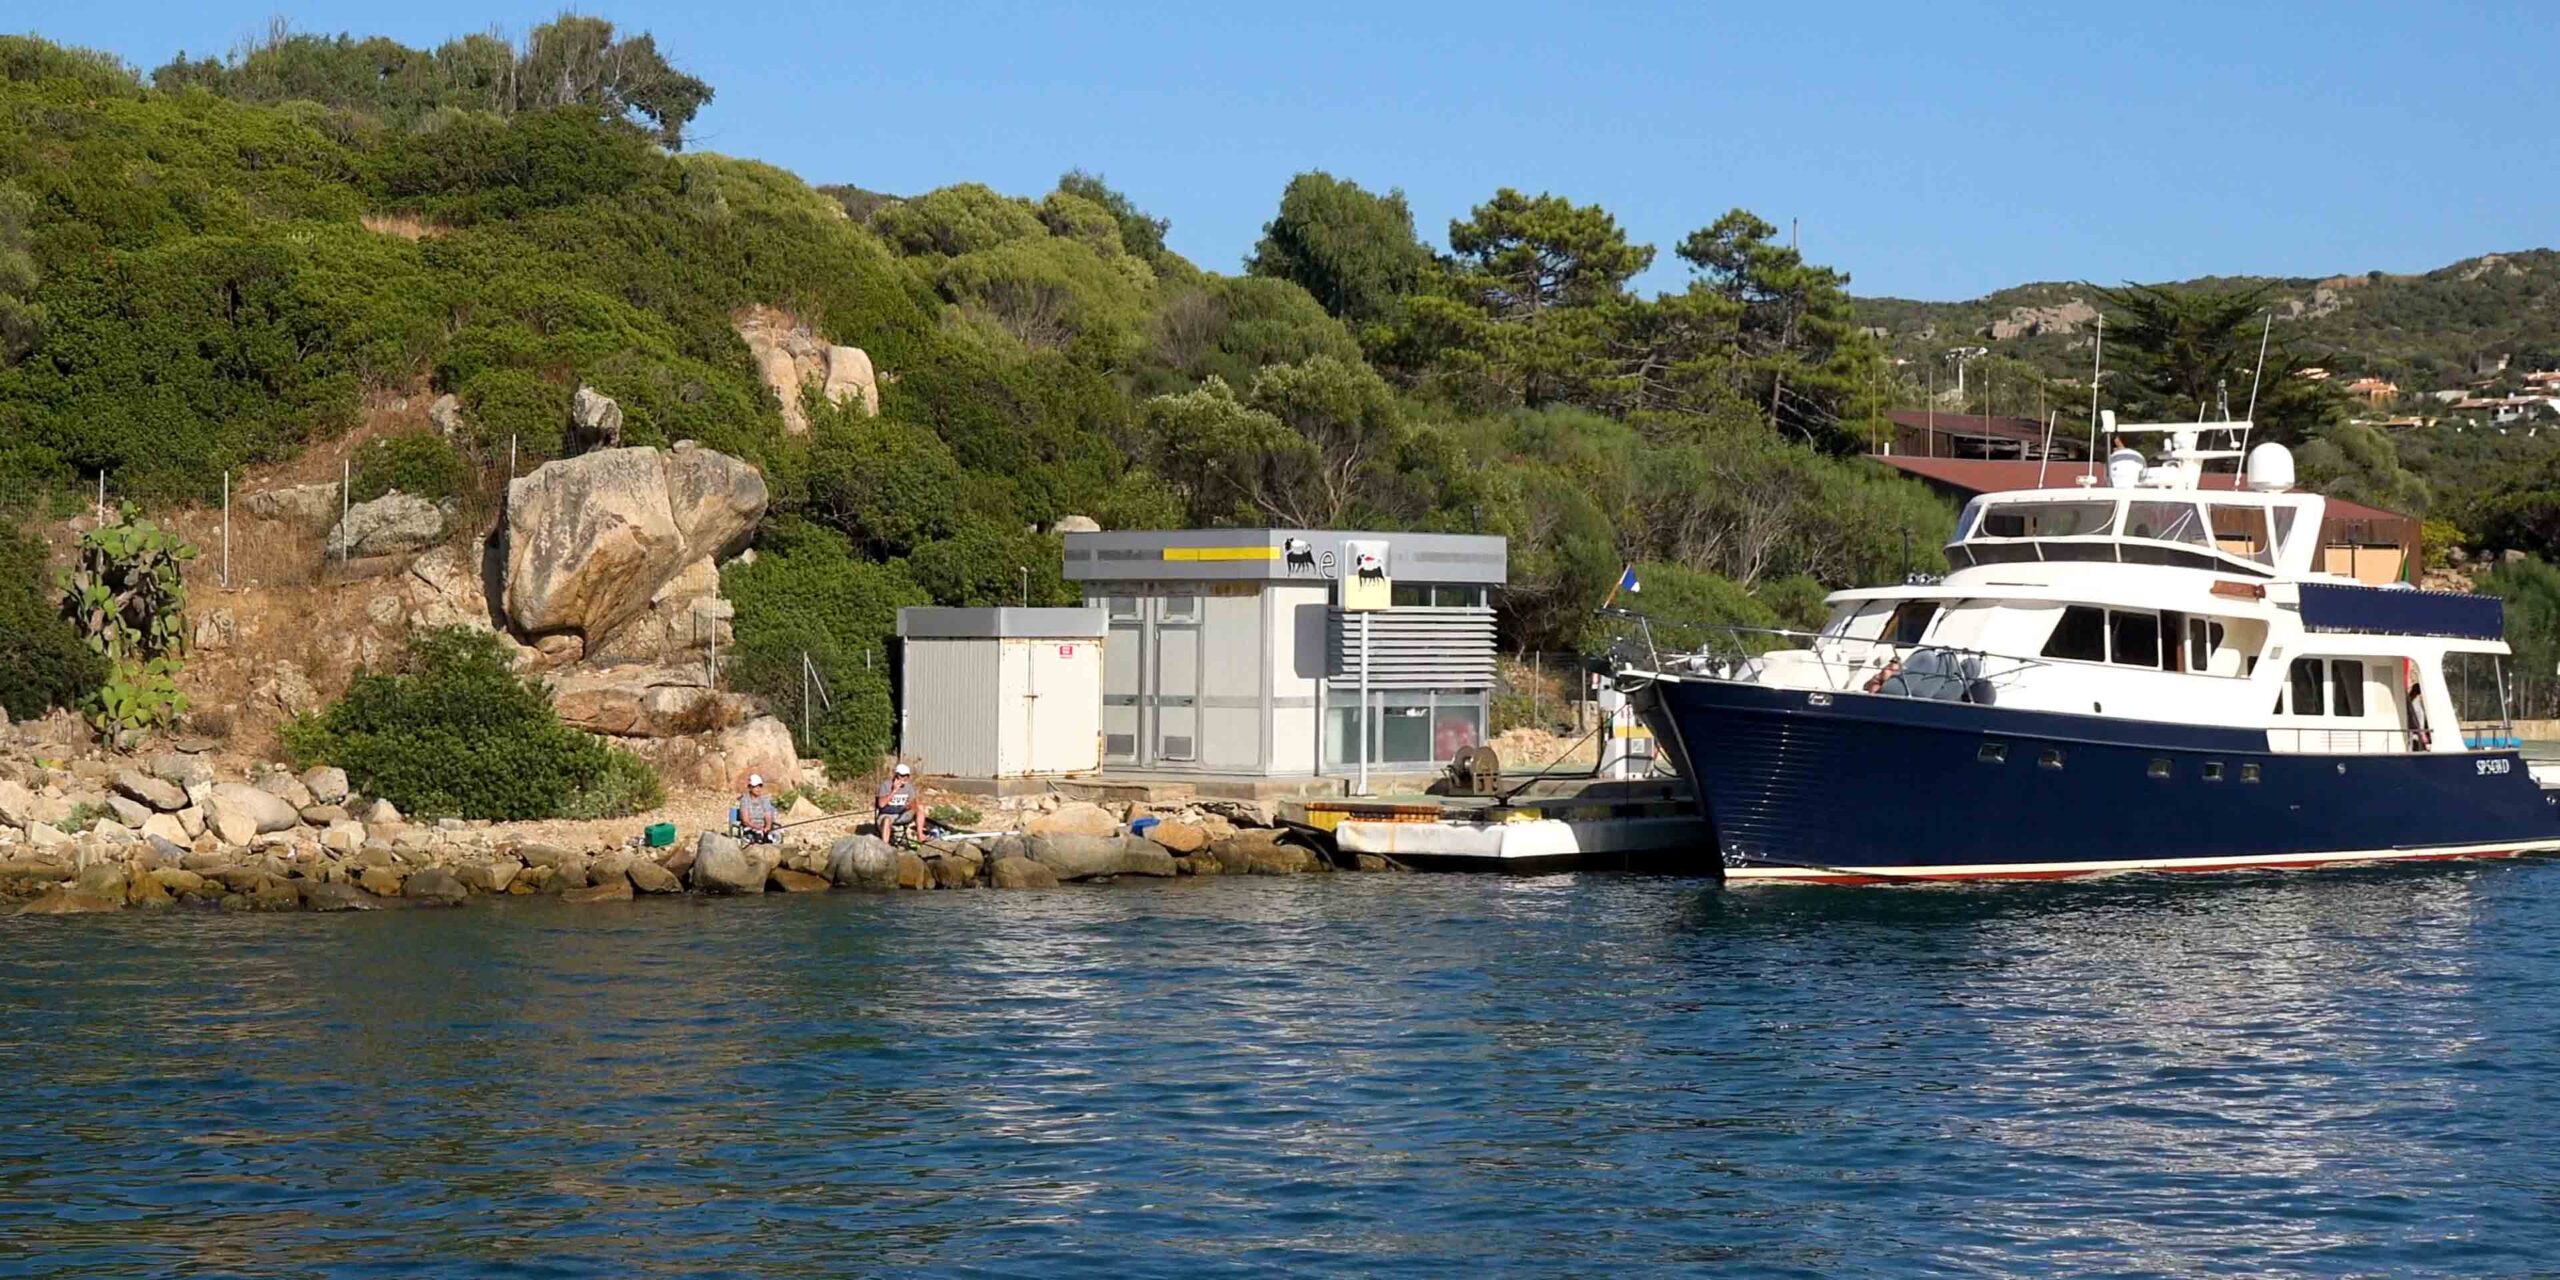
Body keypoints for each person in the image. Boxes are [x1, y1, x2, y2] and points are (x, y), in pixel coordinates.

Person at [875, 762, 924, 845]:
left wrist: (910, 806)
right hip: (888, 814)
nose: (904, 778)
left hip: (902, 813)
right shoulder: (886, 785)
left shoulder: (909, 787)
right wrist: (894, 791)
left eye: (907, 776)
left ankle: (920, 835)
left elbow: (914, 803)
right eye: (902, 775)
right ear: (896, 775)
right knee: (887, 820)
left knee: (920, 808)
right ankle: (884, 847)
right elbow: (881, 804)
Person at [735, 773, 780, 843]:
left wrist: (767, 827)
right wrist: (756, 827)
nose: (758, 789)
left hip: (763, 829)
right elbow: (745, 820)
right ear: (750, 787)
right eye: (755, 786)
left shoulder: (765, 800)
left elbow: (768, 816)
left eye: (760, 786)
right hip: (750, 828)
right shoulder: (745, 800)